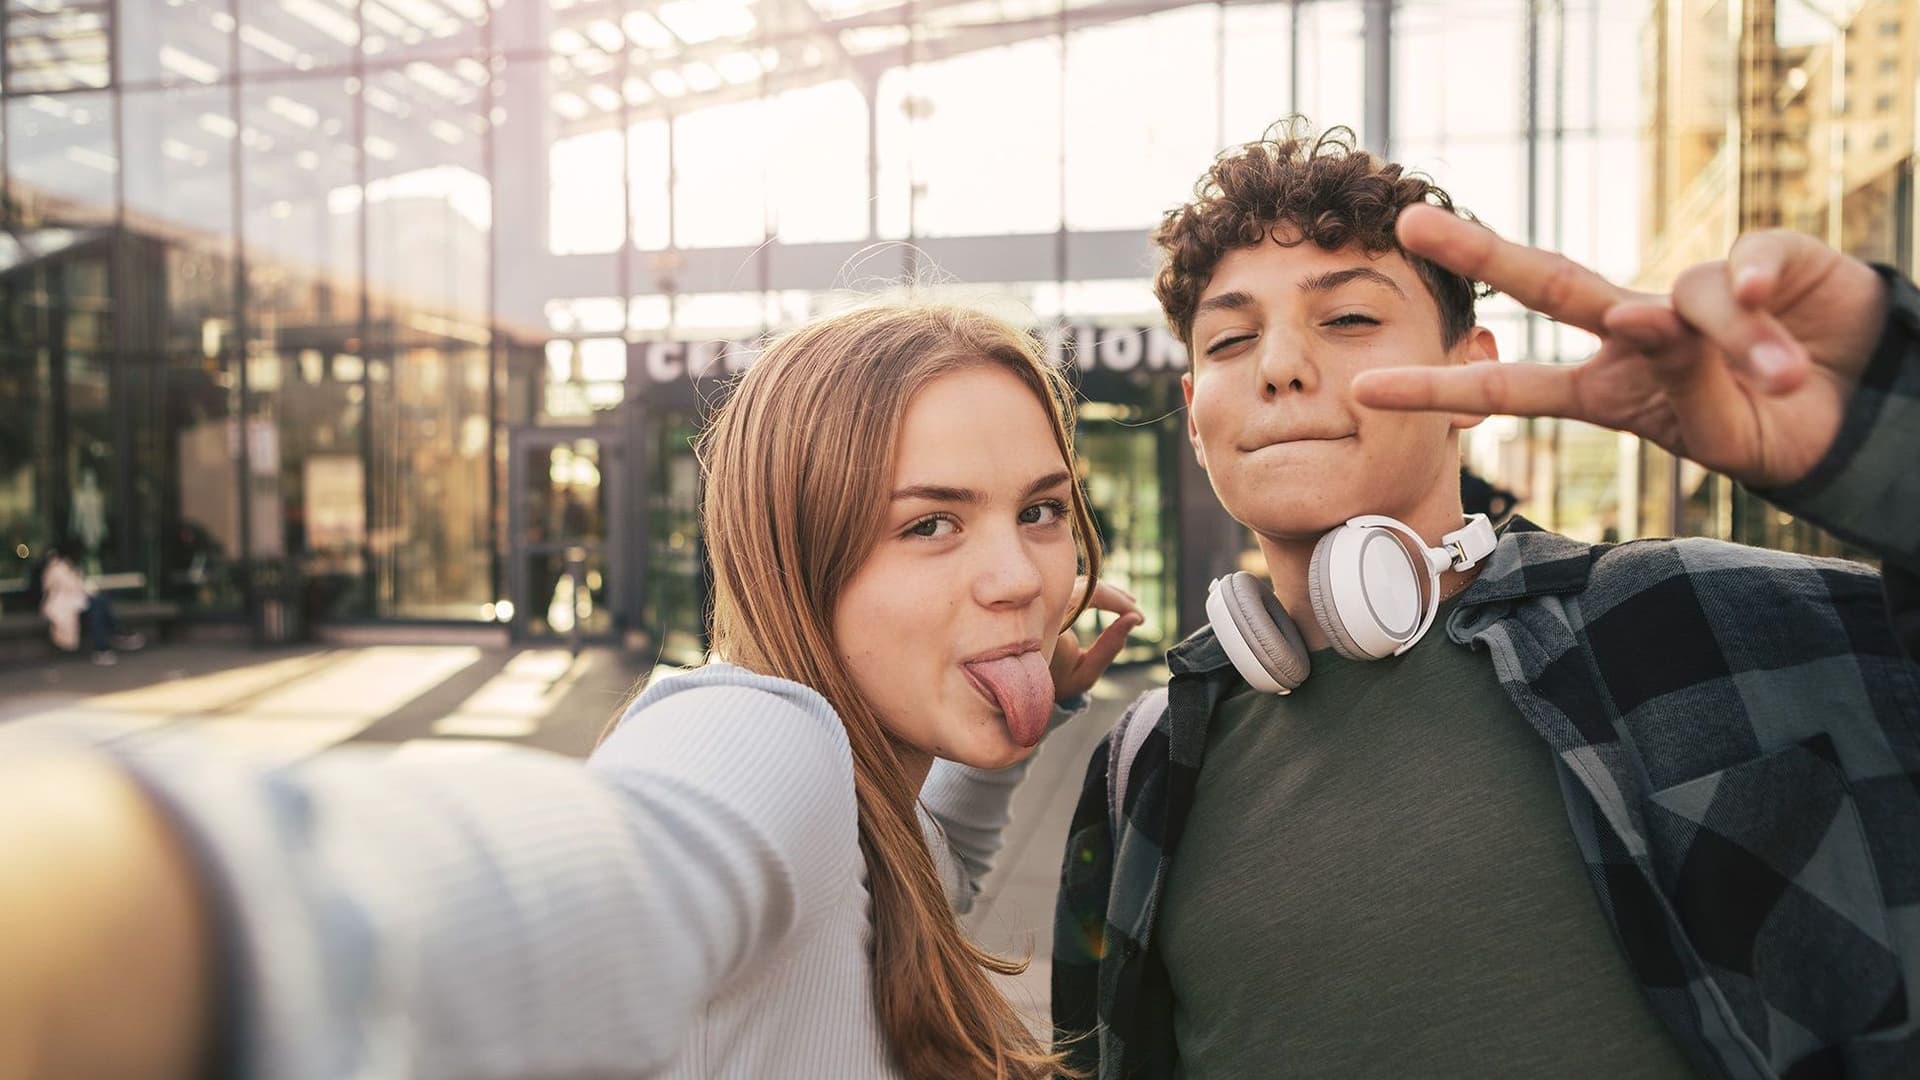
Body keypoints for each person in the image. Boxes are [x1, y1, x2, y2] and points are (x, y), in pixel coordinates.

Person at [0, 303, 1143, 1080]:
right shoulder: (763, 739)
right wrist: (179, 896)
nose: (1020, 578)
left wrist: (1005, 732)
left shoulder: (854, 819)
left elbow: (922, 876)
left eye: (1039, 510)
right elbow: (621, 865)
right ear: (797, 553)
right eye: (930, 524)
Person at [1054, 119, 1920, 1079]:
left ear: (1472, 380)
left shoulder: (1683, 620)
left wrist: (1886, 447)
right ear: (1196, 416)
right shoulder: (1142, 766)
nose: (1279, 365)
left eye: (1347, 319)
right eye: (1230, 338)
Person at [39, 542, 144, 665]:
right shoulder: (57, 567)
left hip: (76, 603)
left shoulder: (71, 567)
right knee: (97, 606)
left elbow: (80, 587)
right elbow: (71, 587)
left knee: (98, 606)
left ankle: (106, 644)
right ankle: (114, 636)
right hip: (62, 606)